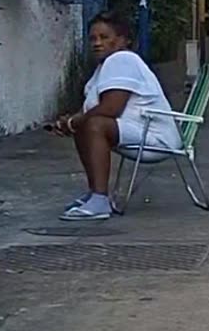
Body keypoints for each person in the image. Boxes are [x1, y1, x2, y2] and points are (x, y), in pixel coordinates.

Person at [52, 12, 182, 221]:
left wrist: (75, 121)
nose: (97, 43)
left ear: (124, 40)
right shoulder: (106, 65)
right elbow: (92, 110)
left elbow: (110, 109)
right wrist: (70, 122)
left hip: (157, 139)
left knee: (94, 124)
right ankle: (95, 193)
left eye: (104, 37)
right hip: (140, 132)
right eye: (93, 39)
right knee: (87, 123)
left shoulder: (123, 59)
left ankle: (100, 199)